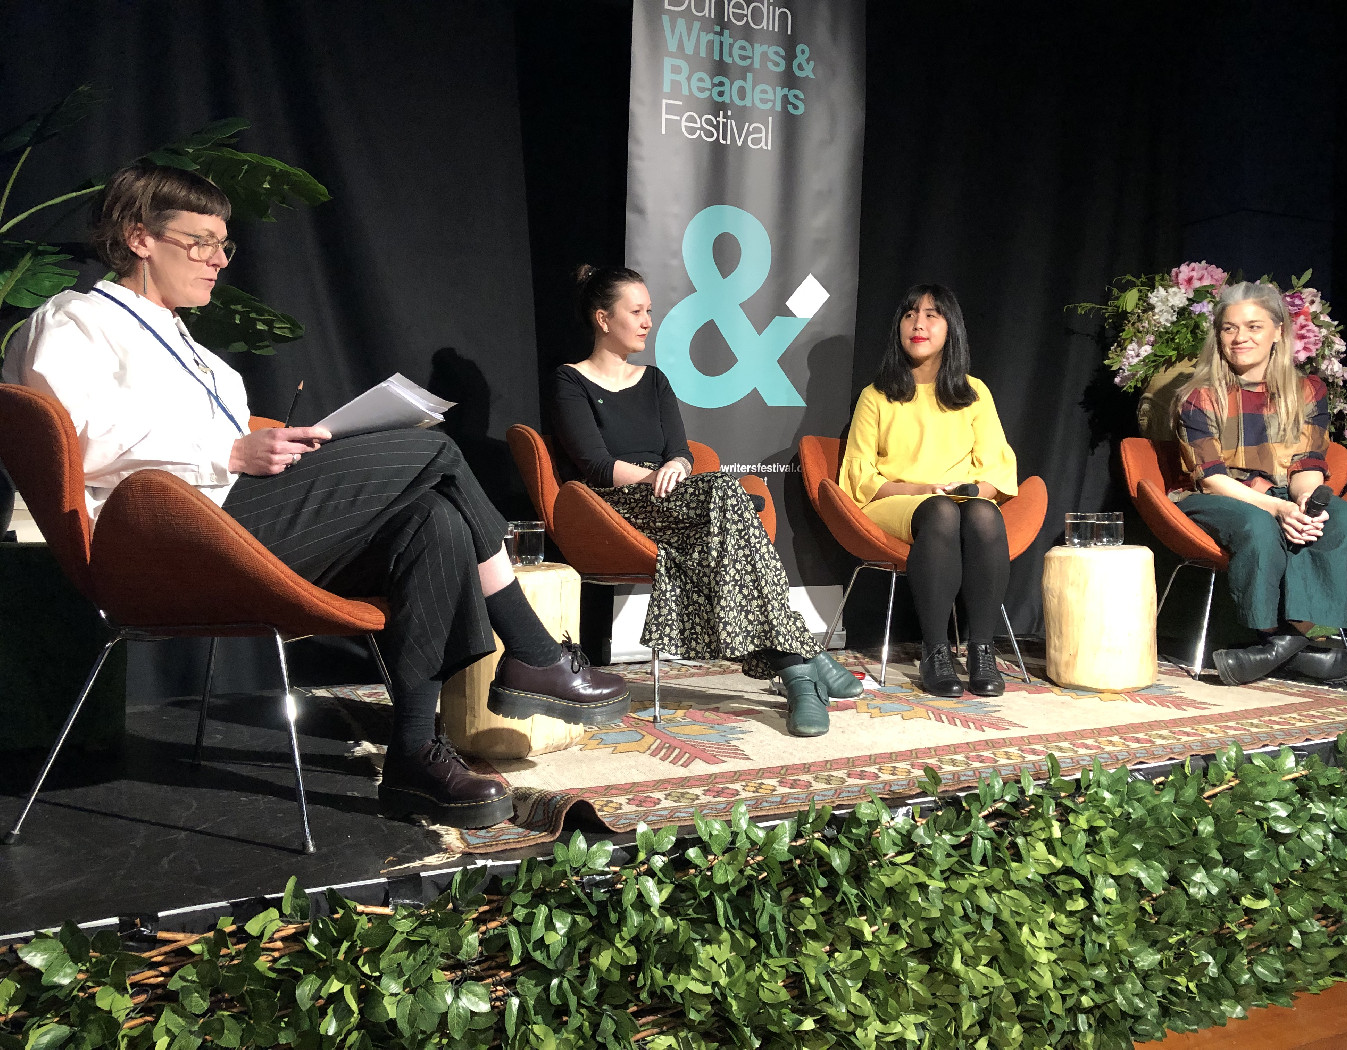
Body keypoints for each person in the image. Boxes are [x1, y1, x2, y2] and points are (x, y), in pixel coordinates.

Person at [2, 162, 629, 830]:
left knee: (432, 520)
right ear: (139, 237)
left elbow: (229, 457)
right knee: (437, 452)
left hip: (234, 527)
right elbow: (75, 438)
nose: (218, 261)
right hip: (158, 546)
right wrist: (231, 450)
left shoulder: (202, 356)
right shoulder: (77, 321)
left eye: (225, 245)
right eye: (201, 243)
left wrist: (294, 455)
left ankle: (415, 755)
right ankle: (532, 654)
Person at [549, 265, 863, 738]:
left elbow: (679, 448)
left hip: (674, 498)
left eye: (649, 311)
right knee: (724, 494)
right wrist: (659, 476)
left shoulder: (654, 380)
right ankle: (805, 658)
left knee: (722, 502)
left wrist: (675, 466)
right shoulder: (570, 380)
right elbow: (595, 464)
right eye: (636, 312)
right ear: (602, 318)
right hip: (615, 507)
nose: (647, 321)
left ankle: (798, 671)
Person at [1174, 281, 1347, 687]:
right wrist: (1278, 509)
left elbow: (1308, 462)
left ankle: (1280, 649)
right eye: (1229, 328)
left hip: (1285, 491)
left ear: (1278, 331)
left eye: (1253, 326)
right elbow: (1211, 479)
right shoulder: (1199, 397)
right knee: (1258, 526)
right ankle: (1273, 641)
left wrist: (1300, 503)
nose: (1240, 337)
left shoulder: (1306, 391)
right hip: (1220, 496)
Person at [839, 284, 1018, 698]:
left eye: (932, 314)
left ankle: (981, 649)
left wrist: (975, 489)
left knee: (981, 512)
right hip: (894, 503)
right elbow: (861, 475)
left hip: (959, 500)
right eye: (909, 314)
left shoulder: (974, 393)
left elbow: (997, 466)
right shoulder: (876, 395)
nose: (918, 323)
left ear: (950, 328)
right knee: (939, 510)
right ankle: (935, 650)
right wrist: (921, 487)